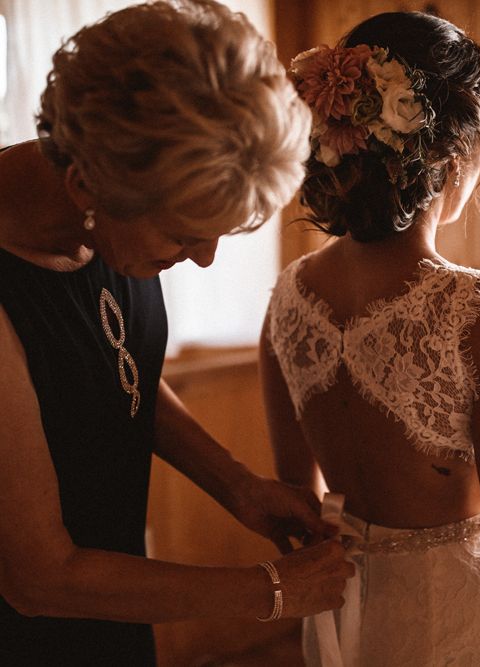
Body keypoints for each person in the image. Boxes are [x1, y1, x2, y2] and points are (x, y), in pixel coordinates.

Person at [0, 1, 355, 664]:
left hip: (111, 611)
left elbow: (112, 370)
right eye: (185, 235)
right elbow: (37, 576)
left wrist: (237, 483)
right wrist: (270, 590)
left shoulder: (109, 224)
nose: (204, 259)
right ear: (87, 183)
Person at [260, 11, 480, 667]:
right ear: (452, 152)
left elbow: (298, 491)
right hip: (455, 621)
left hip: (343, 613)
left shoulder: (288, 296)